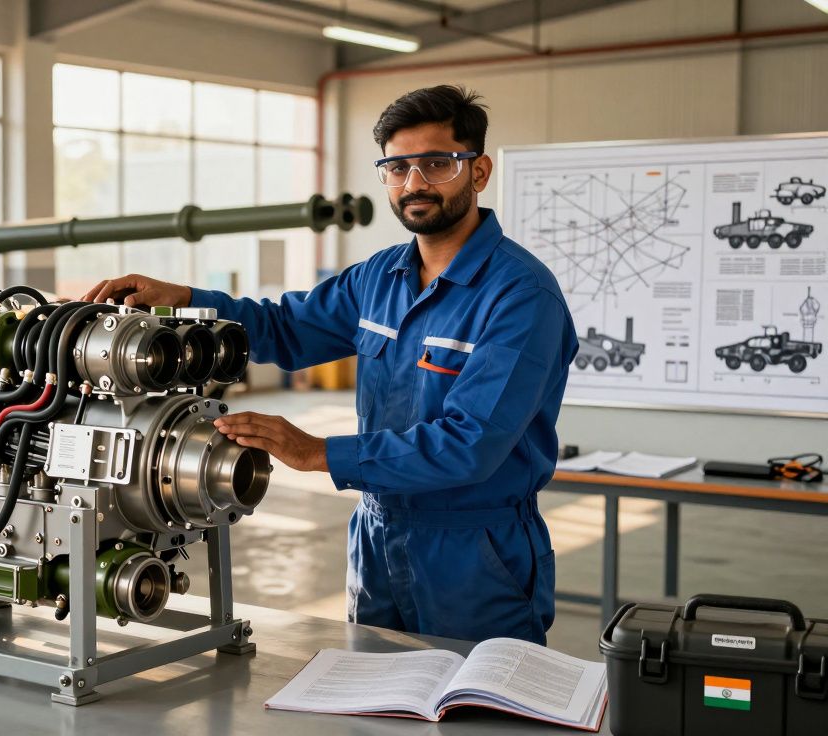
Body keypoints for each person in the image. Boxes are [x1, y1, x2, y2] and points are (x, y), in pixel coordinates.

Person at [81, 85, 577, 645]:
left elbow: (471, 444)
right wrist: (186, 299)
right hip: (378, 537)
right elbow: (284, 327)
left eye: (437, 165)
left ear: (478, 171)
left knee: (477, 718)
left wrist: (318, 452)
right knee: (371, 703)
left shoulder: (521, 296)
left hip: (475, 555)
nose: (414, 184)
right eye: (397, 167)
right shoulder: (379, 277)